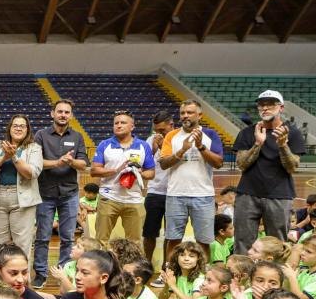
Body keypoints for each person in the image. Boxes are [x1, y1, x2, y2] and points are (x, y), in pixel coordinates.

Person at [233, 90, 305, 254]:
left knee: (277, 244)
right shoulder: (247, 132)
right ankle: (243, 278)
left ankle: (275, 278)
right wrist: (258, 143)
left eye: (270, 104)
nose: (265, 108)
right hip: (248, 194)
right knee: (243, 242)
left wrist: (283, 145)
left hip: (279, 195)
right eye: (261, 104)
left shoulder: (292, 133)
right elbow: (242, 165)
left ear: (281, 107)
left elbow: (292, 167)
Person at [33, 99, 89, 288]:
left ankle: (65, 271)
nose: (63, 115)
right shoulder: (41, 135)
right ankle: (40, 273)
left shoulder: (78, 136)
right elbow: (37, 162)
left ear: (71, 115)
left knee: (67, 237)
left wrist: (70, 161)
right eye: (60, 111)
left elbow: (83, 163)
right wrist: (58, 162)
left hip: (69, 194)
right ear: (52, 114)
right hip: (44, 194)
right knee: (42, 237)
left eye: (67, 112)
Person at [159, 100, 224, 256]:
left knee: (203, 240)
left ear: (199, 115)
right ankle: (170, 273)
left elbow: (218, 163)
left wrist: (201, 146)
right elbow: (163, 164)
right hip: (176, 195)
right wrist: (182, 150)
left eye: (190, 112)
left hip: (203, 195)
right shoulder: (171, 135)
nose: (185, 116)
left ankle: (203, 276)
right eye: (182, 113)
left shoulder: (210, 135)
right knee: (173, 239)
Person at [0, 113, 43, 267]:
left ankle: (22, 282)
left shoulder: (34, 148)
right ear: (9, 128)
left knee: (22, 245)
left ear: (27, 130)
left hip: (23, 201)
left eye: (22, 126)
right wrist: (3, 156)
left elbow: (32, 173)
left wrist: (15, 157)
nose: (18, 128)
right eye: (15, 125)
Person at [91, 111, 156, 244]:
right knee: (101, 241)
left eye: (123, 123)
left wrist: (140, 173)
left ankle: (131, 265)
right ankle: (102, 265)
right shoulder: (105, 144)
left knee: (135, 243)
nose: (119, 125)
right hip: (109, 198)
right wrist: (116, 170)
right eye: (116, 123)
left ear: (132, 126)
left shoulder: (143, 146)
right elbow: (94, 171)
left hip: (134, 200)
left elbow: (151, 173)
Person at [142, 110, 174, 263]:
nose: (159, 133)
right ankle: (147, 263)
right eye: (156, 130)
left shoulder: (178, 139)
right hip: (155, 192)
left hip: (175, 192)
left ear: (171, 124)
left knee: (171, 234)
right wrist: (154, 148)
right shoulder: (150, 140)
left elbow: (174, 163)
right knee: (149, 233)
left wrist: (162, 147)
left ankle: (165, 267)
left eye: (162, 130)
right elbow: (145, 164)